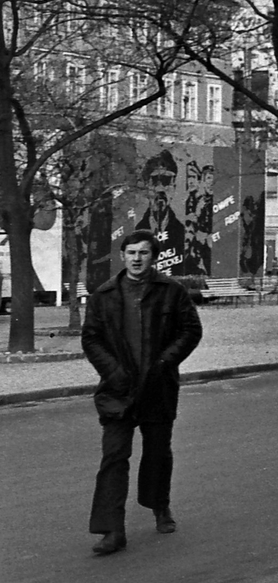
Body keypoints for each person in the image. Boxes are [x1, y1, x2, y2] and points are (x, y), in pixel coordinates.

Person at [81, 229, 204, 556]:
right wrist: (113, 371)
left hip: (157, 387)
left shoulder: (171, 292)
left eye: (144, 253)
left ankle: (159, 506)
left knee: (157, 453)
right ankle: (112, 529)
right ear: (123, 256)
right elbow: (91, 339)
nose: (137, 259)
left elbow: (191, 330)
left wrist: (165, 361)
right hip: (117, 390)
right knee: (114, 457)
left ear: (154, 257)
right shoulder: (103, 296)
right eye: (131, 252)